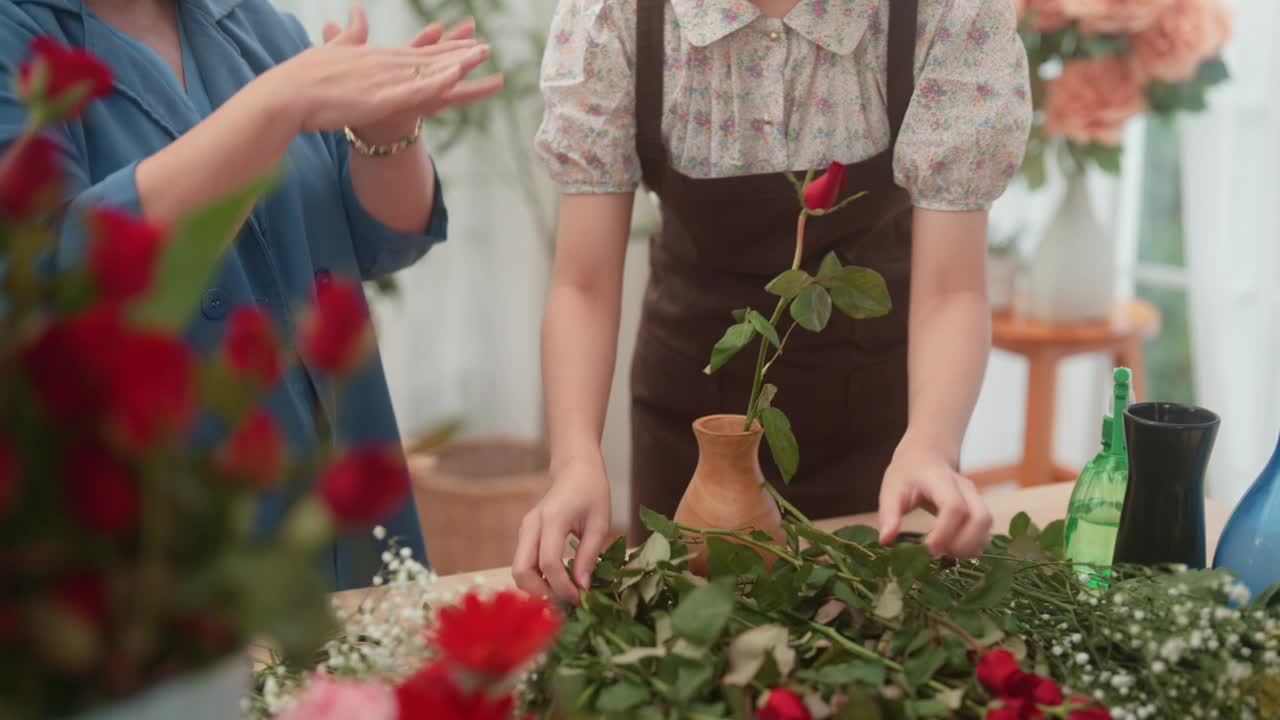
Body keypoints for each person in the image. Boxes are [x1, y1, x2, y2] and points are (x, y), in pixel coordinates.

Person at [515, 0, 1031, 601]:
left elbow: (952, 290)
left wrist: (932, 444)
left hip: (885, 431)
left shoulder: (946, 13)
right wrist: (574, 459)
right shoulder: (617, 16)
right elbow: (583, 284)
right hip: (690, 418)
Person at [0, 0, 502, 590]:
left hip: (347, 504)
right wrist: (277, 106)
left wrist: (387, 131)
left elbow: (382, 238)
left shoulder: (254, 25)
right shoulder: (17, 38)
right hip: (171, 543)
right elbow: (60, 273)